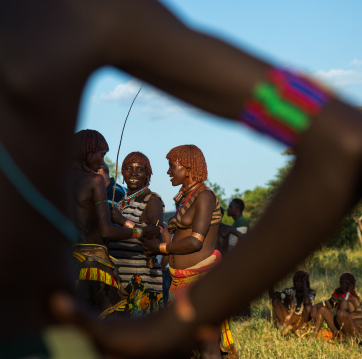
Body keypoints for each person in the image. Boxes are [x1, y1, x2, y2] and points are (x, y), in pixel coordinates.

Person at [0, 0, 362, 357]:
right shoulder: (78, 13)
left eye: (165, 167)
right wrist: (178, 321)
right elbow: (345, 140)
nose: (158, 173)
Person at [143, 144, 238, 358]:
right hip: (179, 282)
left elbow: (195, 242)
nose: (168, 171)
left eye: (171, 166)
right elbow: (179, 237)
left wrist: (160, 247)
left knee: (207, 345)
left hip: (199, 281)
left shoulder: (205, 196)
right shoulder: (186, 198)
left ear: (187, 167)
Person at [69, 130, 160, 318]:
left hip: (69, 263)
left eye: (140, 170)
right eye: (101, 155)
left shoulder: (62, 180)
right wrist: (140, 232)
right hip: (94, 266)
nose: (102, 162)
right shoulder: (95, 180)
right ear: (88, 151)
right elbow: (107, 230)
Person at [108, 151, 167, 316]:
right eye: (128, 168)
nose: (133, 173)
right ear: (123, 173)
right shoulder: (120, 203)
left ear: (147, 174)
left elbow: (155, 236)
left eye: (139, 169)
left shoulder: (152, 200)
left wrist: (122, 221)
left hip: (141, 281)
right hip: (119, 280)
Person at [313, 272, 362, 342]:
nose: (343, 285)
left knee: (341, 313)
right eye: (341, 283)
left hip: (357, 333)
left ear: (351, 285)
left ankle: (349, 340)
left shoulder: (355, 299)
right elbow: (327, 303)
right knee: (323, 310)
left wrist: (348, 291)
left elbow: (342, 309)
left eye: (346, 283)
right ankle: (312, 338)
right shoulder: (338, 295)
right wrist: (314, 307)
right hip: (342, 330)